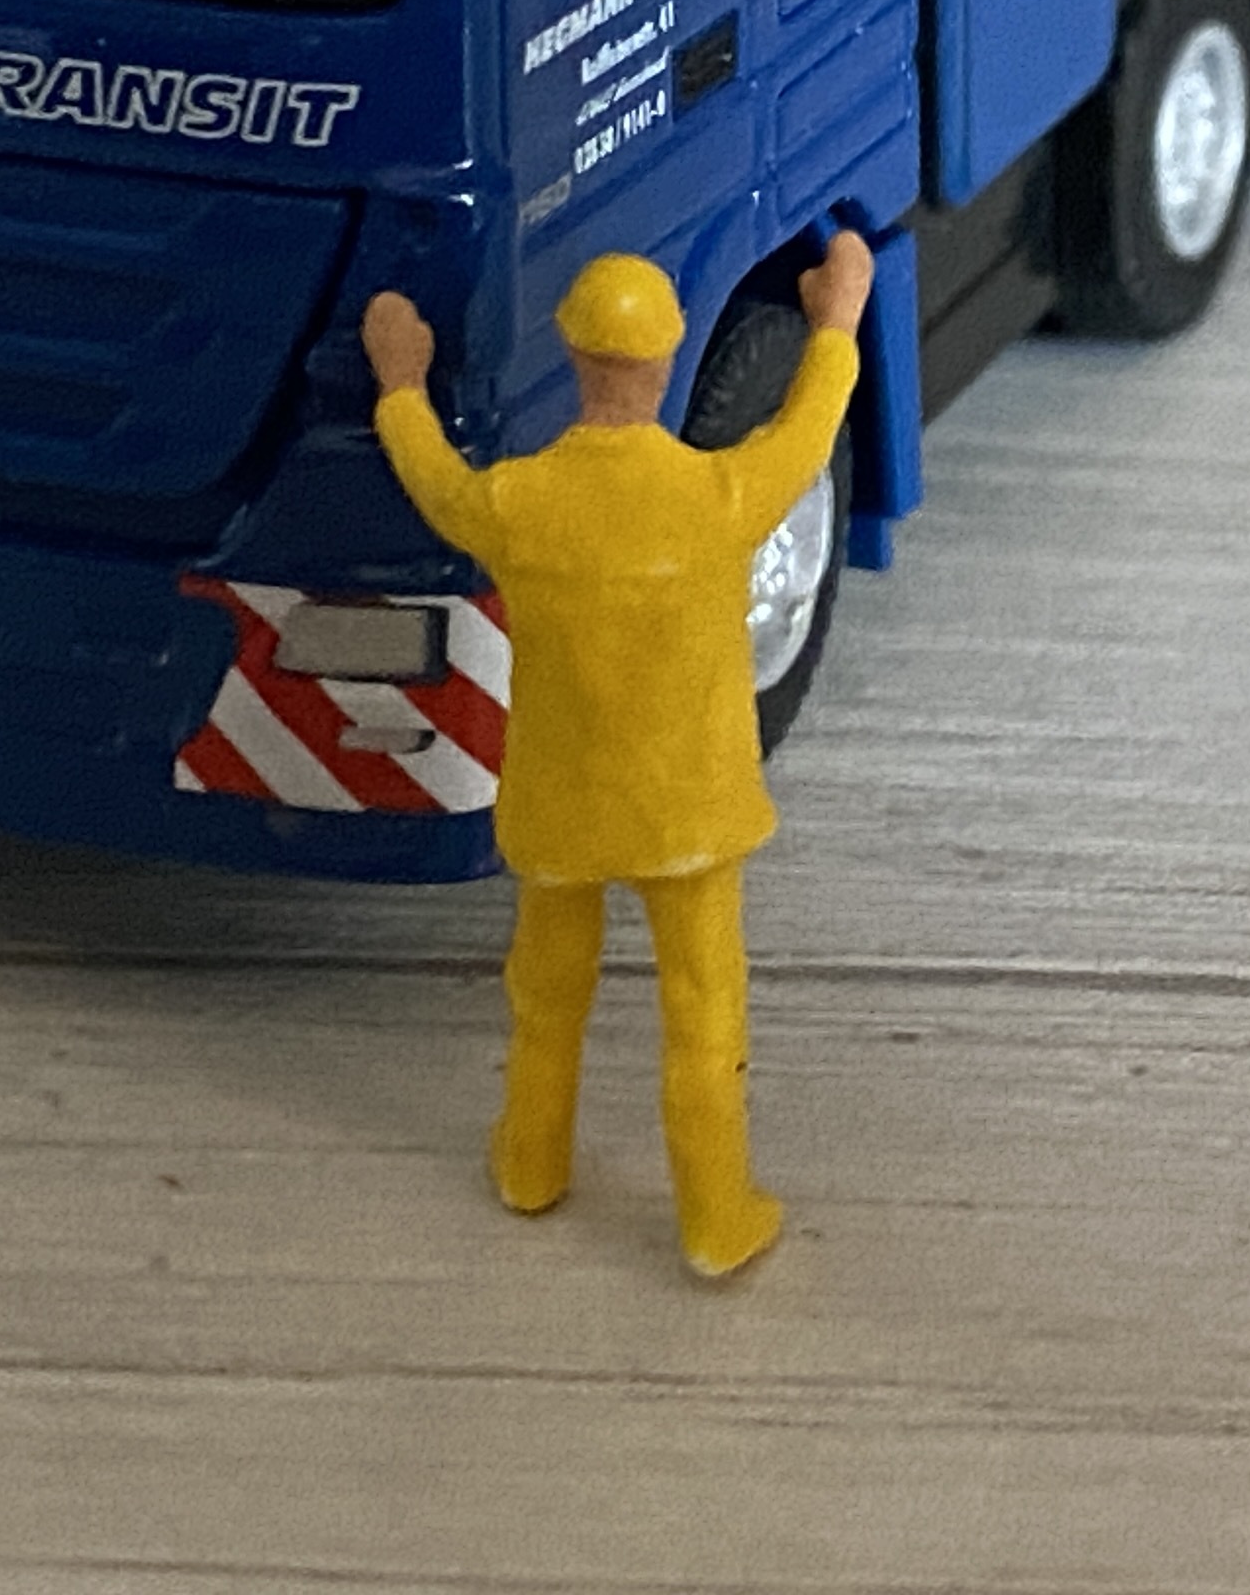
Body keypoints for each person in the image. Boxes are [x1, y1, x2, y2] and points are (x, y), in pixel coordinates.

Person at [360, 230, 871, 1278]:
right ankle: (714, 1217)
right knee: (705, 1014)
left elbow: (436, 485)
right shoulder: (720, 497)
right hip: (690, 814)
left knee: (545, 996)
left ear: (573, 355)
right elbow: (807, 428)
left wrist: (401, 385)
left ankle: (530, 1163)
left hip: (563, 805)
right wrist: (836, 323)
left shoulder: (519, 503)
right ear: (670, 358)